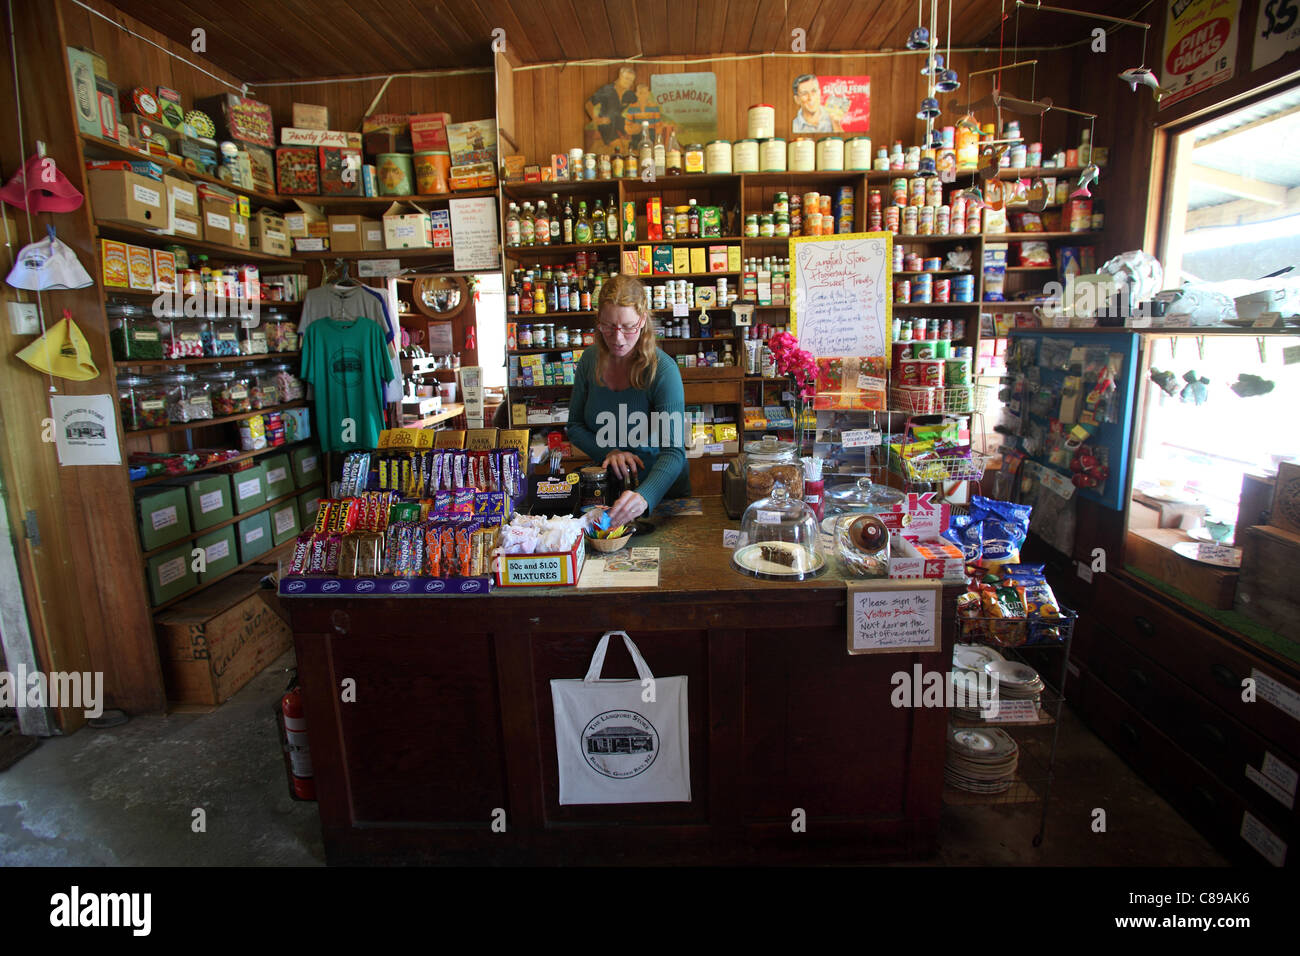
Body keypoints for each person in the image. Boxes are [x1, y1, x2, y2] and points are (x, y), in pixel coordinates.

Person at [567, 275, 690, 528]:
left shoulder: (663, 370)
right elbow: (575, 426)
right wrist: (609, 452)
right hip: (606, 493)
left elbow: (674, 451)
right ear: (598, 321)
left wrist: (645, 497)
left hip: (660, 497)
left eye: (629, 327)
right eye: (609, 326)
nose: (618, 338)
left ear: (643, 320)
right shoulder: (589, 360)